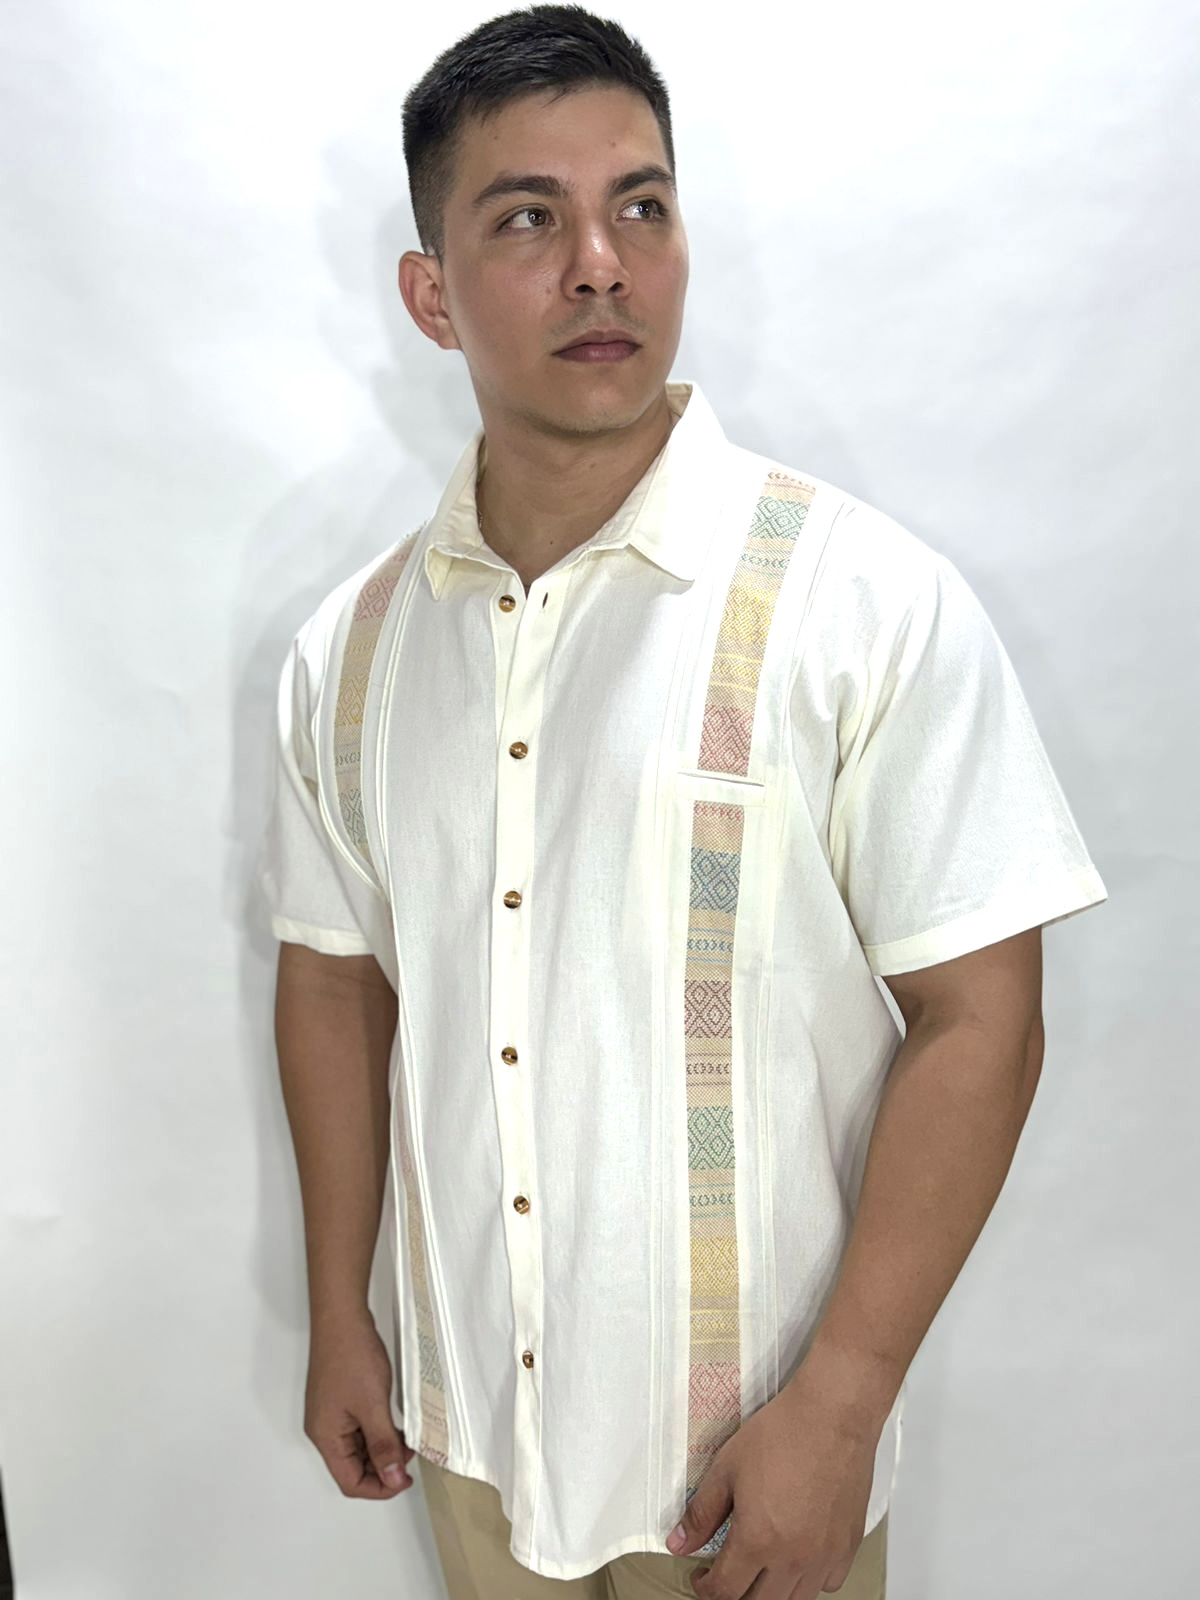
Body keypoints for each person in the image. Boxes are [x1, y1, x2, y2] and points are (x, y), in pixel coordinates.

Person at [256, 7, 1109, 1598]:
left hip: (747, 1467)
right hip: (472, 1432)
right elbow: (334, 975)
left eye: (639, 206)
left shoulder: (858, 602)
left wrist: (842, 1403)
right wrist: (337, 1310)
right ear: (431, 297)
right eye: (530, 218)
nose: (602, 265)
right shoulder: (351, 654)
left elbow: (982, 1014)